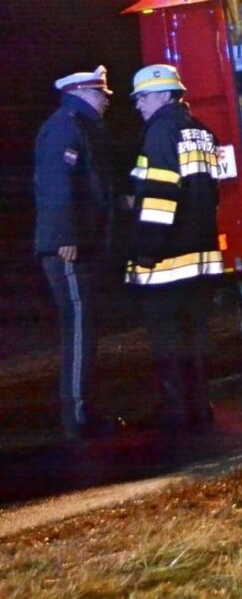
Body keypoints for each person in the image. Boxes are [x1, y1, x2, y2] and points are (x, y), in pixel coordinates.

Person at [126, 64, 224, 428]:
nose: (138, 105)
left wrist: (146, 249)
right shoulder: (201, 132)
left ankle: (176, 410)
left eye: (144, 97)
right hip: (201, 255)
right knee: (196, 336)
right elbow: (211, 193)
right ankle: (201, 406)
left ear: (166, 94)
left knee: (168, 338)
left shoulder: (160, 134)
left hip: (166, 259)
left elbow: (159, 198)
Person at [34, 65, 118, 440]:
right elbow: (56, 185)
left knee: (84, 327)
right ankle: (78, 416)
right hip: (68, 247)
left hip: (78, 242)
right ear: (83, 92)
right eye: (101, 94)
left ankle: (83, 410)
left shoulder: (78, 126)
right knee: (79, 327)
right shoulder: (66, 127)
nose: (105, 100)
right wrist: (66, 235)